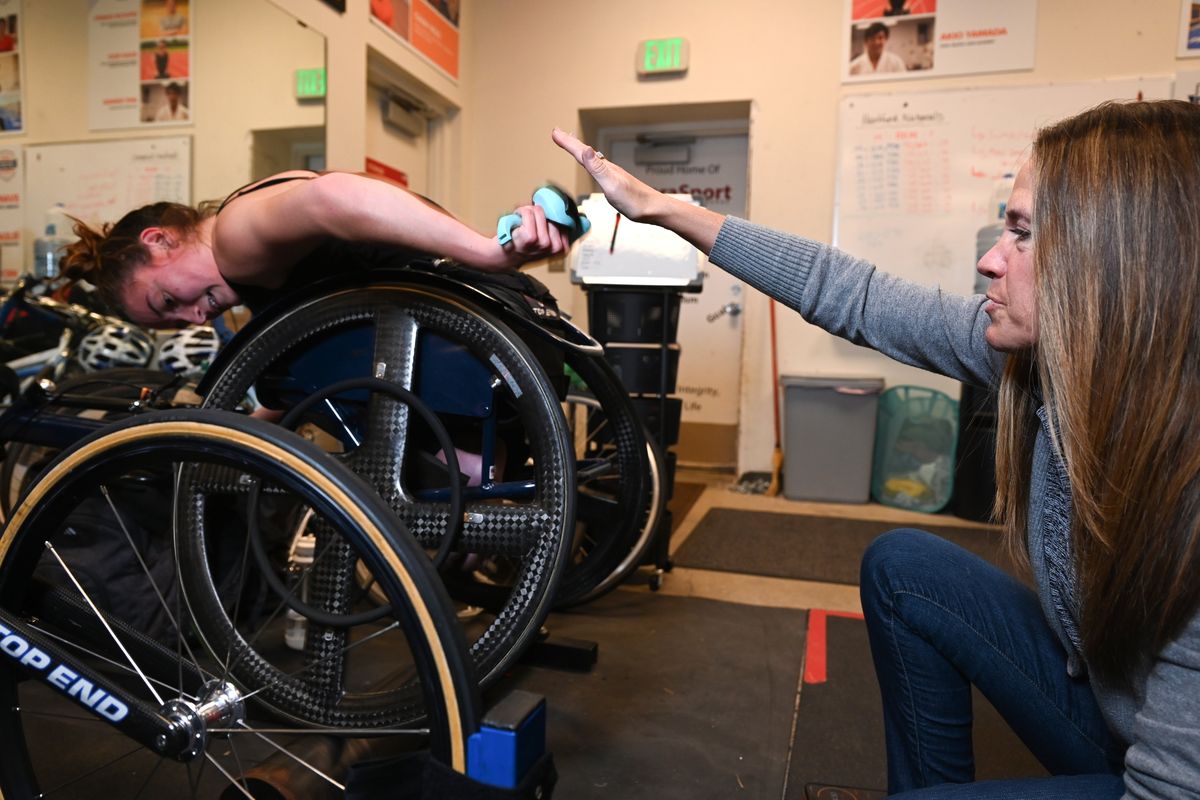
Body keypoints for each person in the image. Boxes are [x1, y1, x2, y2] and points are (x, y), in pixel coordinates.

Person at [553, 99, 1200, 797]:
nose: (989, 260)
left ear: (1117, 261)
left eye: (1019, 233)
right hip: (1112, 715)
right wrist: (664, 209)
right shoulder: (1048, 364)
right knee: (905, 567)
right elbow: (851, 293)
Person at [60, 168, 568, 328]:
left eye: (169, 302)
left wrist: (483, 252)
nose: (195, 319)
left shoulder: (235, 241)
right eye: (175, 322)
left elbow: (334, 196)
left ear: (160, 240)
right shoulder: (245, 238)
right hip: (483, 309)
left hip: (464, 323)